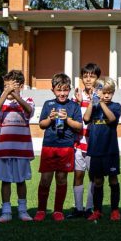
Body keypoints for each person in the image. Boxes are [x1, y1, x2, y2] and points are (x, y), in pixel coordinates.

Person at [36, 73, 83, 221]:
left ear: (69, 89)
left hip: (66, 147)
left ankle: (58, 211)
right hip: (49, 146)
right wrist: (50, 118)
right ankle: (41, 210)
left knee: (62, 179)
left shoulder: (74, 106)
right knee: (45, 179)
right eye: (59, 90)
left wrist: (67, 119)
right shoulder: (48, 104)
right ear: (53, 90)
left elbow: (79, 126)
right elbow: (41, 125)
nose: (62, 93)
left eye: (65, 90)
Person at [0, 70, 35, 223]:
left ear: (21, 86)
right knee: (5, 180)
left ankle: (22, 210)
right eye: (6, 86)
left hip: (22, 150)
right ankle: (6, 211)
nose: (9, 89)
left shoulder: (28, 99)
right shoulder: (1, 101)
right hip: (4, 150)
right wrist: (5, 94)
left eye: (12, 86)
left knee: (20, 180)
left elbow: (29, 111)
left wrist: (16, 95)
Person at [85, 78, 121, 222]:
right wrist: (91, 102)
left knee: (113, 180)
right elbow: (86, 118)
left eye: (109, 93)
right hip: (95, 151)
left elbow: (112, 119)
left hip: (110, 150)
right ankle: (97, 210)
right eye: (104, 92)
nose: (106, 96)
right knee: (98, 181)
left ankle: (114, 210)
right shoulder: (93, 107)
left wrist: (100, 102)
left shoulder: (115, 106)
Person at [69, 62, 101, 217]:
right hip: (79, 141)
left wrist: (94, 99)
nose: (88, 79)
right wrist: (79, 101)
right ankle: (78, 208)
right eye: (85, 76)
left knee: (93, 176)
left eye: (92, 76)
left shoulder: (100, 96)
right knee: (78, 174)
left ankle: (90, 207)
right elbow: (75, 117)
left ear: (97, 78)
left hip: (94, 143)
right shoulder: (77, 96)